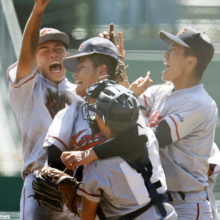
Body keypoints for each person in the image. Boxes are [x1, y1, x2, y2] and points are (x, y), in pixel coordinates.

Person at [61, 26, 218, 220]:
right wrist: (115, 67)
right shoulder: (160, 91)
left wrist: (89, 154)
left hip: (187, 204)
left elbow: (145, 138)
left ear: (190, 61)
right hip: (157, 200)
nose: (166, 54)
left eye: (173, 50)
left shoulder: (200, 102)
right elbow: (123, 113)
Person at [7, 0, 81, 219]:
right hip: (40, 181)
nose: (53, 54)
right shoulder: (28, 89)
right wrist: (38, 9)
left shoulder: (81, 91)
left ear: (67, 57)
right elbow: (27, 52)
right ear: (35, 59)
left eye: (59, 49)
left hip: (79, 185)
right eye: (44, 50)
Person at [74, 81, 177, 220]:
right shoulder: (148, 136)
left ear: (104, 120)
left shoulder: (97, 165)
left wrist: (70, 196)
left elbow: (87, 216)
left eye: (97, 112)